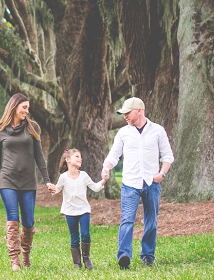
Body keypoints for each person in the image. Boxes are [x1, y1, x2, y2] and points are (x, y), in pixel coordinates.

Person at [101, 97, 174, 269]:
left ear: (139, 111)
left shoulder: (157, 130)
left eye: (127, 113)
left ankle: (148, 255)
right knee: (126, 220)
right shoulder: (123, 133)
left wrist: (162, 173)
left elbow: (168, 156)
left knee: (151, 221)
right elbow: (114, 155)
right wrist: (106, 167)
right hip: (130, 183)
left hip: (151, 183)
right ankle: (124, 256)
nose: (124, 116)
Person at [0, 93, 56, 271]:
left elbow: (39, 156)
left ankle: (25, 253)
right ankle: (14, 260)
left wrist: (47, 180)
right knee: (13, 219)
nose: (27, 111)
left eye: (28, 108)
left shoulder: (32, 128)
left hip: (28, 182)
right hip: (7, 180)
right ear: (14, 107)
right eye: (24, 107)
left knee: (28, 222)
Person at [52, 149, 106, 270]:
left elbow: (95, 187)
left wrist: (104, 180)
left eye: (80, 157)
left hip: (83, 210)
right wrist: (51, 188)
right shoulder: (63, 177)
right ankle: (77, 263)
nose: (80, 159)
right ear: (68, 160)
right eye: (77, 156)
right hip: (70, 211)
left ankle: (86, 259)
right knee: (74, 237)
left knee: (85, 234)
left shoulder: (84, 175)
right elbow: (56, 190)